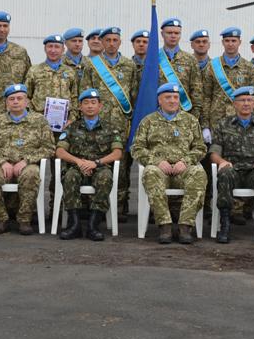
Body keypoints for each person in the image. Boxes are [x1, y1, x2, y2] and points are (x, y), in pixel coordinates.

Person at [132, 82, 208, 245]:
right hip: (159, 170)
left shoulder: (190, 120)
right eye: (168, 97)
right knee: (150, 172)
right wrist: (156, 161)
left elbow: (200, 147)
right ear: (160, 100)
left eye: (175, 97)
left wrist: (186, 161)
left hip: (183, 170)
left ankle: (185, 226)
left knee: (199, 173)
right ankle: (164, 226)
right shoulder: (148, 121)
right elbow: (137, 148)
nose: (172, 101)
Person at [0, 83, 55, 235]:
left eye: (19, 98)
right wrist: (2, 162)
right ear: (6, 102)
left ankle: (24, 220)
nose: (15, 102)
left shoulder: (39, 121)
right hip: (3, 166)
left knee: (31, 174)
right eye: (11, 99)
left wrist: (26, 161)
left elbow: (49, 147)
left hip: (27, 165)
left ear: (27, 101)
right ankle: (1, 219)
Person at [55, 89, 124, 241]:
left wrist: (96, 163)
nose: (90, 106)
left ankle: (93, 225)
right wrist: (79, 162)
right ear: (80, 107)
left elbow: (117, 153)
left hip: (100, 167)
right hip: (77, 167)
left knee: (105, 178)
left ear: (100, 106)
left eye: (93, 103)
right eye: (86, 103)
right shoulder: (72, 127)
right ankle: (75, 225)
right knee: (70, 177)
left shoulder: (110, 128)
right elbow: (60, 151)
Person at [209, 86, 254, 244]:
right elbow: (214, 152)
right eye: (242, 100)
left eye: (249, 100)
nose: (246, 103)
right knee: (224, 173)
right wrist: (221, 162)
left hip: (253, 170)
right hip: (233, 169)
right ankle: (225, 224)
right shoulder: (223, 124)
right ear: (234, 104)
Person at [86, 26, 137, 216]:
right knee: (95, 162)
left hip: (122, 125)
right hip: (97, 125)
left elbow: (134, 95)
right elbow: (85, 94)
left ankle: (119, 205)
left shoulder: (129, 65)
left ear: (120, 42)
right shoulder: (92, 65)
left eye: (115, 40)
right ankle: (95, 206)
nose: (111, 43)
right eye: (108, 40)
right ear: (102, 42)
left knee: (121, 166)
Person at [201, 27, 254, 131]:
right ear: (222, 42)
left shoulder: (250, 68)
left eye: (234, 41)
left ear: (239, 42)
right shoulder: (212, 66)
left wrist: (252, 121)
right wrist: (205, 126)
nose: (230, 44)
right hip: (216, 122)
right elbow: (206, 97)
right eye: (227, 41)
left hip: (241, 122)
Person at [24, 34, 78, 126]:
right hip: (39, 122)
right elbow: (26, 96)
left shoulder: (70, 72)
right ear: (45, 49)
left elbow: (75, 97)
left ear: (63, 50)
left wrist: (71, 119)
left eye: (57, 47)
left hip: (65, 123)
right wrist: (32, 116)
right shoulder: (34, 70)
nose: (53, 50)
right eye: (50, 46)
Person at [154, 17, 204, 114]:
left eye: (177, 33)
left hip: (184, 114)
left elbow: (196, 91)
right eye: (169, 33)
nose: (173, 36)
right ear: (162, 34)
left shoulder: (190, 60)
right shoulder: (153, 58)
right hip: (157, 114)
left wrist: (194, 116)